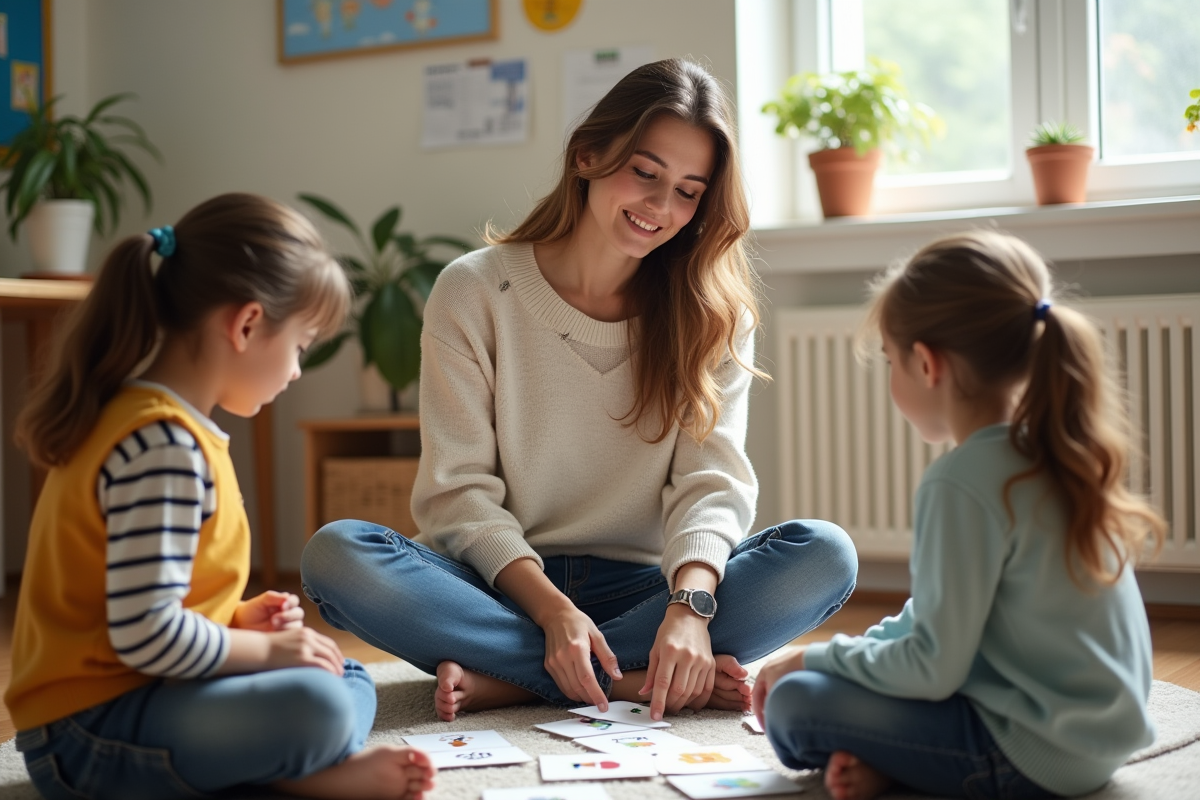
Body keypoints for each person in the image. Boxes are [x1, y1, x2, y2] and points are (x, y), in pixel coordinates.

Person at [301, 58, 858, 724]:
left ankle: (515, 679)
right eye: (645, 173)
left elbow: (712, 485)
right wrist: (553, 610)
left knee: (823, 555)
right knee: (337, 557)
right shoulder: (474, 290)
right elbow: (459, 492)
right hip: (496, 583)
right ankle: (623, 676)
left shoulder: (715, 313)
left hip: (647, 587)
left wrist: (689, 610)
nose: (660, 206)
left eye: (688, 191)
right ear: (588, 155)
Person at [4, 193, 437, 800]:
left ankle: (282, 764)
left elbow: (134, 605)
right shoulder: (161, 447)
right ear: (247, 324)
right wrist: (260, 650)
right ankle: (300, 778)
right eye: (301, 346)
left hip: (135, 699)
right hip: (86, 739)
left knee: (347, 672)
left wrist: (234, 621)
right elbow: (145, 636)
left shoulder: (155, 424)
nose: (294, 372)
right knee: (320, 703)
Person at [751, 231, 1166, 800]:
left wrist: (814, 659)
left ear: (926, 364)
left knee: (794, 704)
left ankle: (905, 765)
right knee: (832, 675)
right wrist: (833, 655)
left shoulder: (960, 481)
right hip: (1100, 746)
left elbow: (933, 667)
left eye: (890, 360)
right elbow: (937, 620)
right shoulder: (1055, 449)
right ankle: (897, 761)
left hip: (1032, 756)